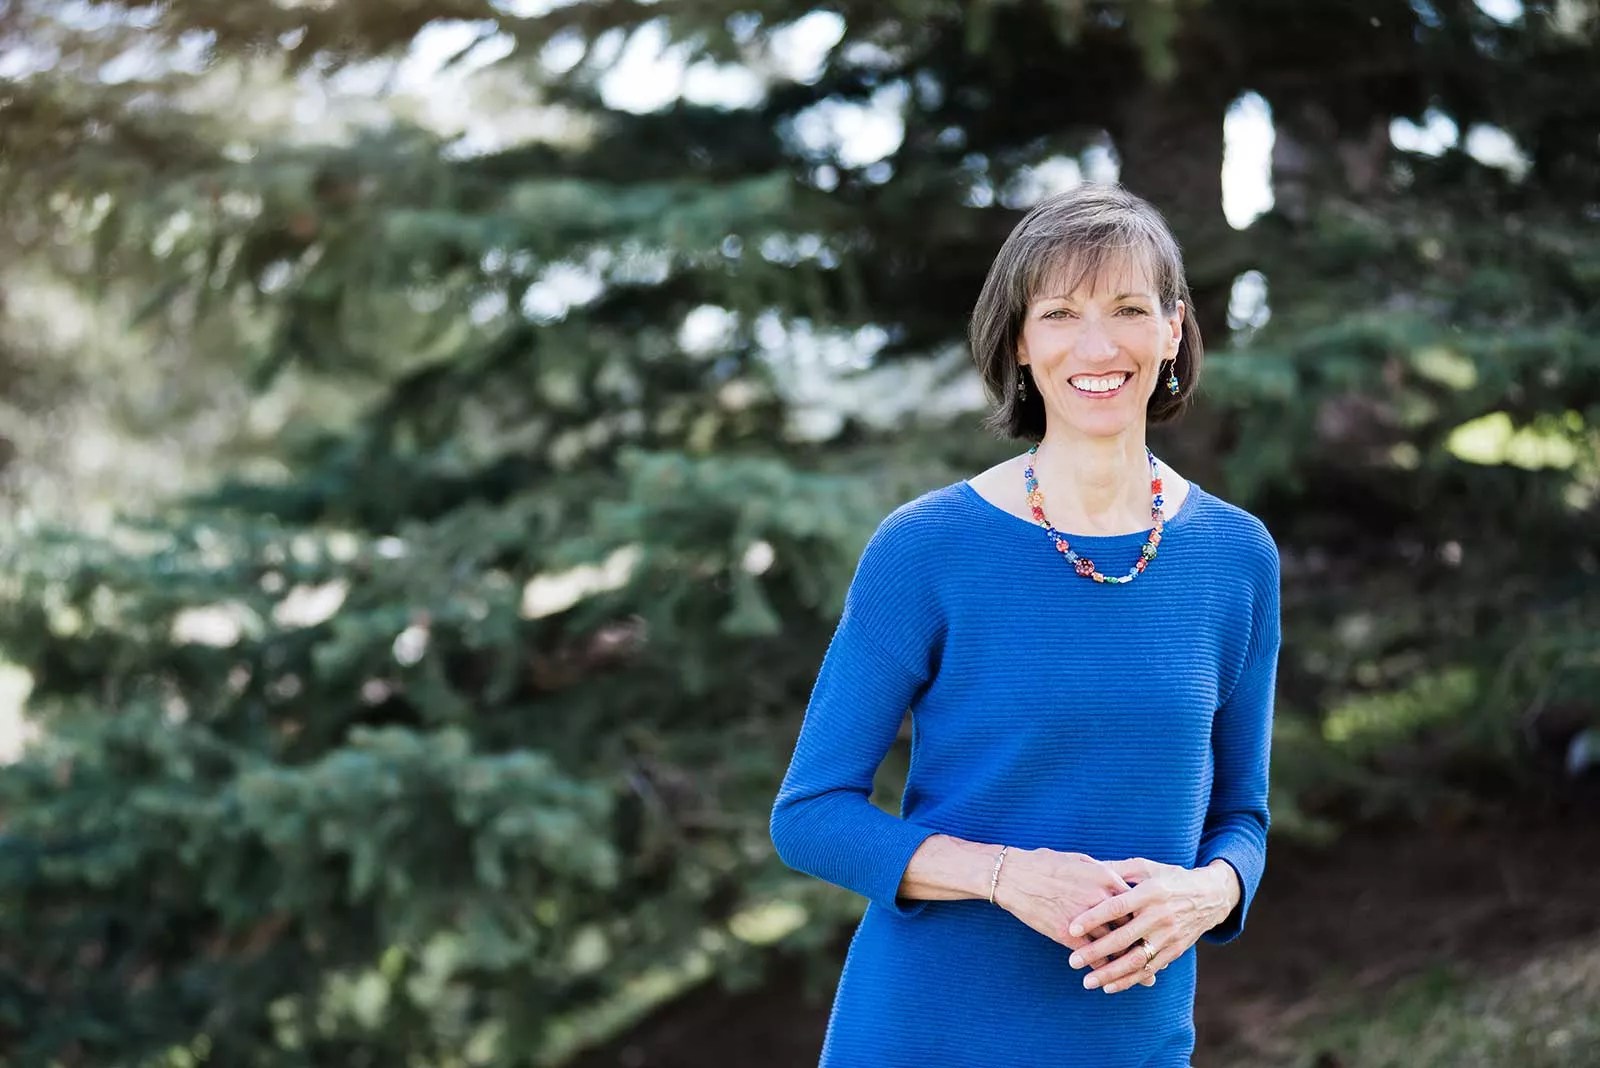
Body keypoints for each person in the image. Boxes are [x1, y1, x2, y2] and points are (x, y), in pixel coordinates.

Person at [768, 183, 1281, 1067]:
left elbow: (1242, 814)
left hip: (1133, 1040)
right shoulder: (927, 548)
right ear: (1020, 342)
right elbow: (810, 814)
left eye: (1129, 310)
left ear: (1172, 331)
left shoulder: (1236, 556)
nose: (1097, 345)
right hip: (929, 1032)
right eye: (1060, 314)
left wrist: (1211, 893)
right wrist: (1005, 876)